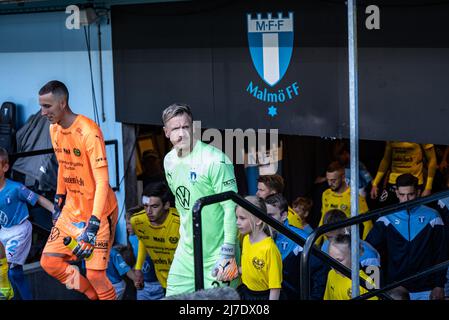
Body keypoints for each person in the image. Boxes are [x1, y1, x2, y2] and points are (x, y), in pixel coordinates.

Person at [38, 80, 118, 300]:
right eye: (41, 106)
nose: (43, 112)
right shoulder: (53, 128)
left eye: (48, 106)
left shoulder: (89, 131)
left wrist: (93, 223)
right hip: (72, 210)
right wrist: (58, 198)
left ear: (62, 103)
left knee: (95, 275)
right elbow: (64, 163)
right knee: (50, 262)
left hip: (98, 212)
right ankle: (92, 296)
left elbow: (103, 181)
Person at [162, 103, 240, 296]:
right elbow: (182, 204)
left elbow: (232, 208)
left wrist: (228, 251)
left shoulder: (215, 160)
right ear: (166, 132)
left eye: (186, 127)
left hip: (218, 252)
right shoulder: (169, 161)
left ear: (194, 127)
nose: (182, 133)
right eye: (175, 128)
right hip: (187, 252)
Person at [366, 173, 447, 300]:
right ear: (397, 193)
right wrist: (374, 285)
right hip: (395, 289)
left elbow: (441, 252)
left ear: (418, 192)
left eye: (411, 194)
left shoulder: (433, 216)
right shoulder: (386, 218)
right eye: (402, 195)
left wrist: (439, 285)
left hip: (426, 289)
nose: (407, 199)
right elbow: (369, 251)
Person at [0, 147, 54, 300]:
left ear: (5, 167)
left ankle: (6, 292)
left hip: (20, 231)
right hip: (3, 231)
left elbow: (38, 199)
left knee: (9, 269)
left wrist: (56, 211)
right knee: (15, 274)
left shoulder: (16, 188)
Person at [265, 193, 328, 300]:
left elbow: (320, 270)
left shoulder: (300, 238)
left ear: (284, 216)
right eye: (265, 215)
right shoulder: (264, 234)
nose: (266, 219)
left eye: (271, 215)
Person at [129, 182, 179, 295]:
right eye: (145, 206)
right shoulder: (137, 221)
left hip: (184, 277)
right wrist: (138, 268)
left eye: (154, 206)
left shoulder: (180, 221)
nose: (148, 212)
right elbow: (144, 239)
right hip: (162, 279)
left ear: (166, 205)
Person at [236, 196, 282, 300]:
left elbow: (275, 287)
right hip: (246, 292)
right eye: (237, 217)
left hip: (263, 296)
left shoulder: (269, 249)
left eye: (242, 218)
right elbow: (250, 269)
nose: (237, 222)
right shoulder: (246, 239)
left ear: (258, 220)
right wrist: (230, 270)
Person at [319, 162, 372, 240]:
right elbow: (322, 219)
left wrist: (364, 246)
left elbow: (368, 224)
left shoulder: (355, 197)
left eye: (333, 180)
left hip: (344, 244)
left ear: (343, 177)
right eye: (328, 180)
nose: (330, 183)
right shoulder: (326, 194)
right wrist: (316, 243)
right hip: (326, 245)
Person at [370, 141, 437, 203]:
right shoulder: (392, 133)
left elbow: (432, 159)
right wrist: (375, 183)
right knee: (387, 211)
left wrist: (428, 187)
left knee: (412, 211)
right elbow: (386, 159)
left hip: (414, 183)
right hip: (393, 182)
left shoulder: (421, 133)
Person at [323, 234, 378, 300]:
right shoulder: (331, 274)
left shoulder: (367, 283)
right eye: (331, 259)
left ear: (354, 256)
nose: (333, 265)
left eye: (339, 260)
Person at [125, 208, 164, 300]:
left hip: (158, 284)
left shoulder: (152, 237)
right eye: (126, 223)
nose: (127, 227)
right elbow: (136, 259)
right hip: (143, 285)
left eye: (130, 223)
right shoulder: (131, 238)